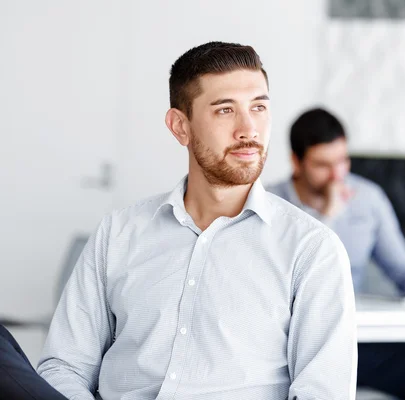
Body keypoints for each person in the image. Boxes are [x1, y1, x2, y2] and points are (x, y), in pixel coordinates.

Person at [1, 42, 357, 400]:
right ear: (180, 127)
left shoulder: (311, 248)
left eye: (259, 107)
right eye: (225, 110)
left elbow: (322, 392)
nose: (248, 129)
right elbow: (65, 366)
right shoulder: (119, 233)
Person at [268, 108, 405, 400]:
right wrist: (326, 218)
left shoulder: (368, 199)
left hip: (353, 340)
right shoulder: (269, 205)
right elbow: (280, 281)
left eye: (342, 161)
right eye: (323, 164)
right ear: (296, 162)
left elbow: (403, 270)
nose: (336, 175)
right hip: (286, 347)